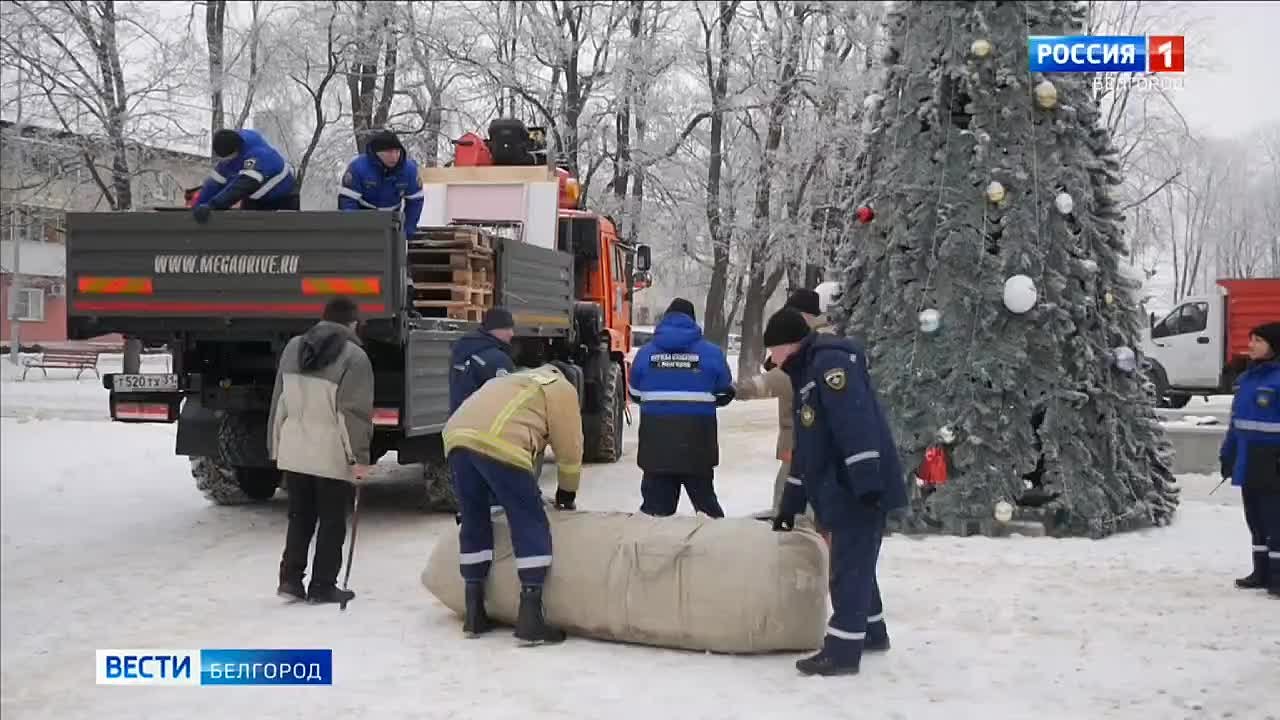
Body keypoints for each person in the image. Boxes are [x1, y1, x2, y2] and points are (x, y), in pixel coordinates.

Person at [764, 307, 908, 676]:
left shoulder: (830, 367)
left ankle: (842, 652)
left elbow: (855, 424)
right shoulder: (806, 374)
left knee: (848, 567)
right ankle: (871, 632)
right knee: (858, 563)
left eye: (773, 351)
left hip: (857, 487)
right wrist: (790, 504)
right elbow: (808, 450)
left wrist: (867, 482)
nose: (772, 361)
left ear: (788, 345)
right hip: (843, 486)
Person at [442, 362, 584, 644]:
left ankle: (474, 613)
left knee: (474, 518)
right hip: (499, 440)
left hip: (456, 436)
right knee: (528, 519)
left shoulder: (514, 381)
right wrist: (566, 494)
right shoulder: (559, 387)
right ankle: (530, 617)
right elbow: (570, 448)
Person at [268, 296, 375, 605]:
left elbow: (279, 402)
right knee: (331, 521)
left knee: (300, 516)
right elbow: (351, 414)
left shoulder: (293, 348)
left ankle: (290, 580)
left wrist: (276, 447)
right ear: (353, 323)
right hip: (330, 452)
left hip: (295, 448)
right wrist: (359, 459)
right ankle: (322, 586)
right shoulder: (355, 357)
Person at [733, 289, 837, 519]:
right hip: (801, 434)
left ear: (804, 315)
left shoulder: (814, 345)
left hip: (804, 436)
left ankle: (795, 527)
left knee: (794, 494)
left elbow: (782, 378)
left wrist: (742, 389)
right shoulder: (812, 338)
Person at [628, 298, 735, 518]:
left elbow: (635, 394)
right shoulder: (712, 353)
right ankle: (715, 539)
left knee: (654, 517)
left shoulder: (645, 354)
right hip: (697, 446)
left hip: (656, 448)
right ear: (692, 321)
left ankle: (655, 539)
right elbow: (724, 393)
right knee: (708, 513)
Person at [1221, 321, 1280, 596]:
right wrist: (1228, 455)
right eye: (1251, 339)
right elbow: (1236, 424)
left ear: (1274, 346)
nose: (1251, 345)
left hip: (1274, 461)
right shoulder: (1246, 380)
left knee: (1275, 520)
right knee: (1255, 519)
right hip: (1249, 459)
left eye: (1258, 340)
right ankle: (1262, 572)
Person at [193, 128, 298, 222]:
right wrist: (199, 206)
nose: (225, 162)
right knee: (245, 227)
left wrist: (212, 206)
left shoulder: (259, 155)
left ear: (236, 151)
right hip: (255, 198)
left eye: (227, 159)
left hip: (282, 198)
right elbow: (214, 183)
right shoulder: (230, 144)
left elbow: (240, 187)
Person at [338, 129, 425, 239]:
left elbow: (416, 201)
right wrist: (354, 231)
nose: (394, 157)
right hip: (362, 219)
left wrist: (406, 232)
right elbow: (347, 202)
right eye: (389, 152)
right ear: (377, 152)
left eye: (397, 151)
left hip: (392, 222)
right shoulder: (358, 168)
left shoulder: (409, 170)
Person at [449, 308, 517, 413]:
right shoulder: (497, 359)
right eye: (508, 329)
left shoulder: (463, 349)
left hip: (458, 417)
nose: (512, 334)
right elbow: (507, 399)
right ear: (495, 329)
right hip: (484, 419)